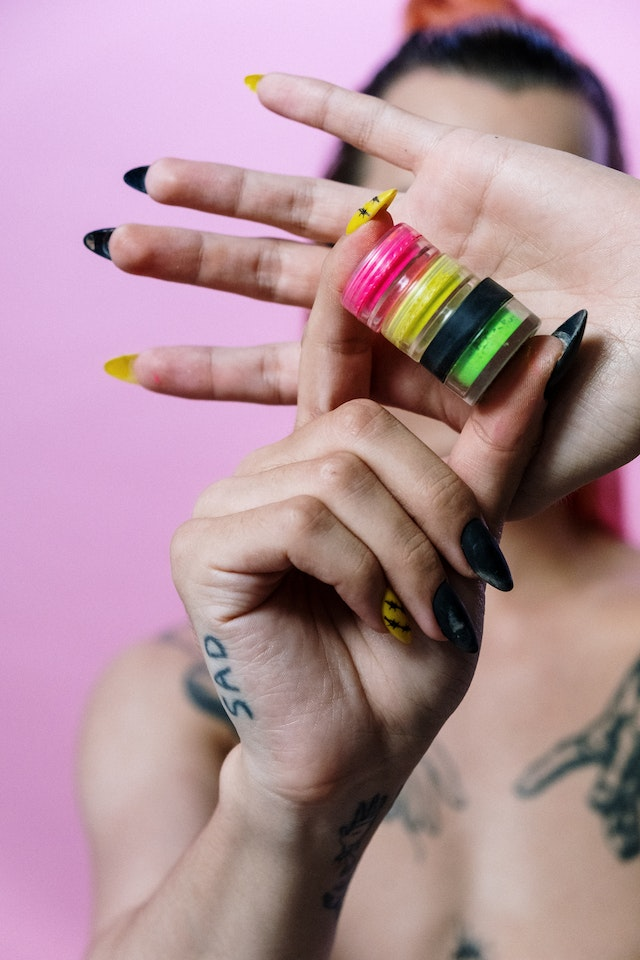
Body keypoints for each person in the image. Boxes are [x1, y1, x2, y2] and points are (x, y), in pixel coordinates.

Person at [79, 4, 640, 958]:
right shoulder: (180, 689)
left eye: (535, 231)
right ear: (338, 273)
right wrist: (288, 806)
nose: (479, 299)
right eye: (423, 241)